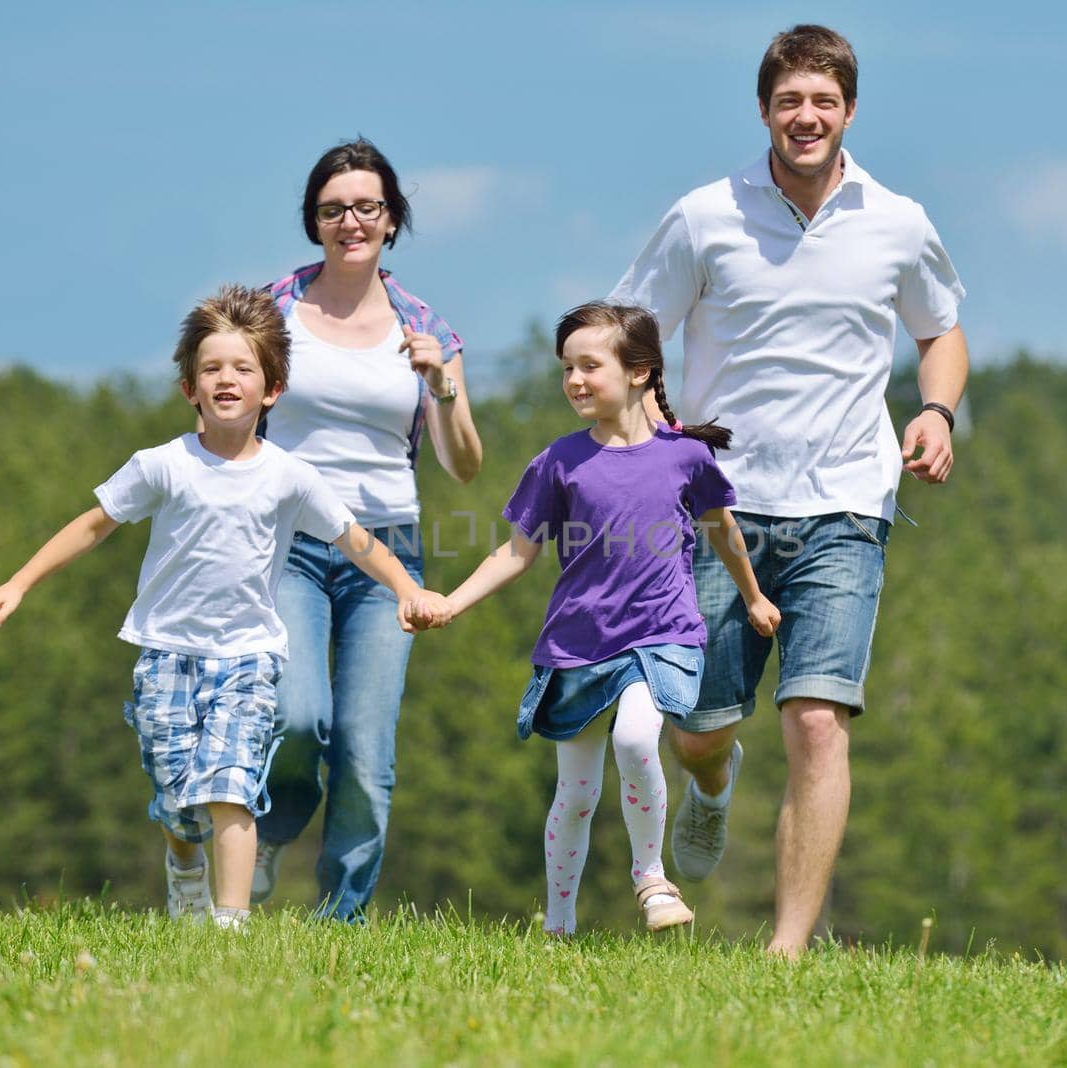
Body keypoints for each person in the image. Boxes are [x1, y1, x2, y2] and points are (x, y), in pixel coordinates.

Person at [609, 24, 969, 956]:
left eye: (823, 101)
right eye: (789, 102)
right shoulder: (704, 217)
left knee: (817, 720)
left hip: (848, 505)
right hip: (721, 511)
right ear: (764, 110)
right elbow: (630, 341)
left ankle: (786, 952)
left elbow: (942, 331)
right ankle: (713, 783)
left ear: (850, 110)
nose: (806, 117)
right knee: (698, 724)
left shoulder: (898, 221)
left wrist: (935, 411)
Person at [0, 285, 436, 928]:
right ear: (189, 388)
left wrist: (408, 590)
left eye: (243, 368)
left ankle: (231, 924)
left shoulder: (290, 476)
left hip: (248, 656)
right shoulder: (162, 465)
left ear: (271, 390)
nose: (227, 379)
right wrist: (19, 582)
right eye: (211, 369)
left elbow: (355, 539)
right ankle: (183, 866)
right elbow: (93, 525)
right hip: (167, 652)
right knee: (177, 799)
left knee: (231, 789)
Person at [410, 301, 779, 935]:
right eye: (567, 368)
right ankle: (559, 924)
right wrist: (450, 600)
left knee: (637, 738)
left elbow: (725, 533)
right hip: (578, 644)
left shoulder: (685, 458)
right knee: (576, 795)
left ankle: (650, 878)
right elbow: (515, 553)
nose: (575, 380)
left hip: (662, 634)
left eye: (590, 365)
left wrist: (752, 597)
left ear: (639, 372)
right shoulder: (560, 460)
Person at [253, 139, 483, 919]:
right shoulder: (271, 309)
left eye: (366, 207)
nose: (350, 221)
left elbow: (464, 466)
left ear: (392, 220)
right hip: (286, 540)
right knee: (296, 716)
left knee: (363, 746)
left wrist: (443, 388)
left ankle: (339, 921)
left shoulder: (425, 326)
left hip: (387, 549)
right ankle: (268, 830)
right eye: (332, 209)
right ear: (313, 222)